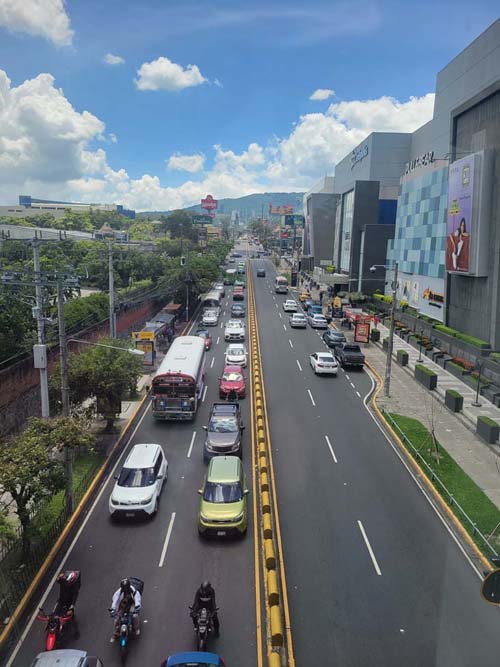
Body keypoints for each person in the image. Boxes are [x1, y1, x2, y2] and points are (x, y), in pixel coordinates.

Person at [109, 578, 142, 643]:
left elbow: (137, 599)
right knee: (116, 619)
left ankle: (136, 628)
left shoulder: (134, 591)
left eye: (126, 588)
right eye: (124, 589)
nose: (125, 590)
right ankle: (115, 633)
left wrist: (137, 606)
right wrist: (113, 609)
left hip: (132, 604)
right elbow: (115, 601)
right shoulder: (118, 592)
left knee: (135, 616)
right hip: (122, 606)